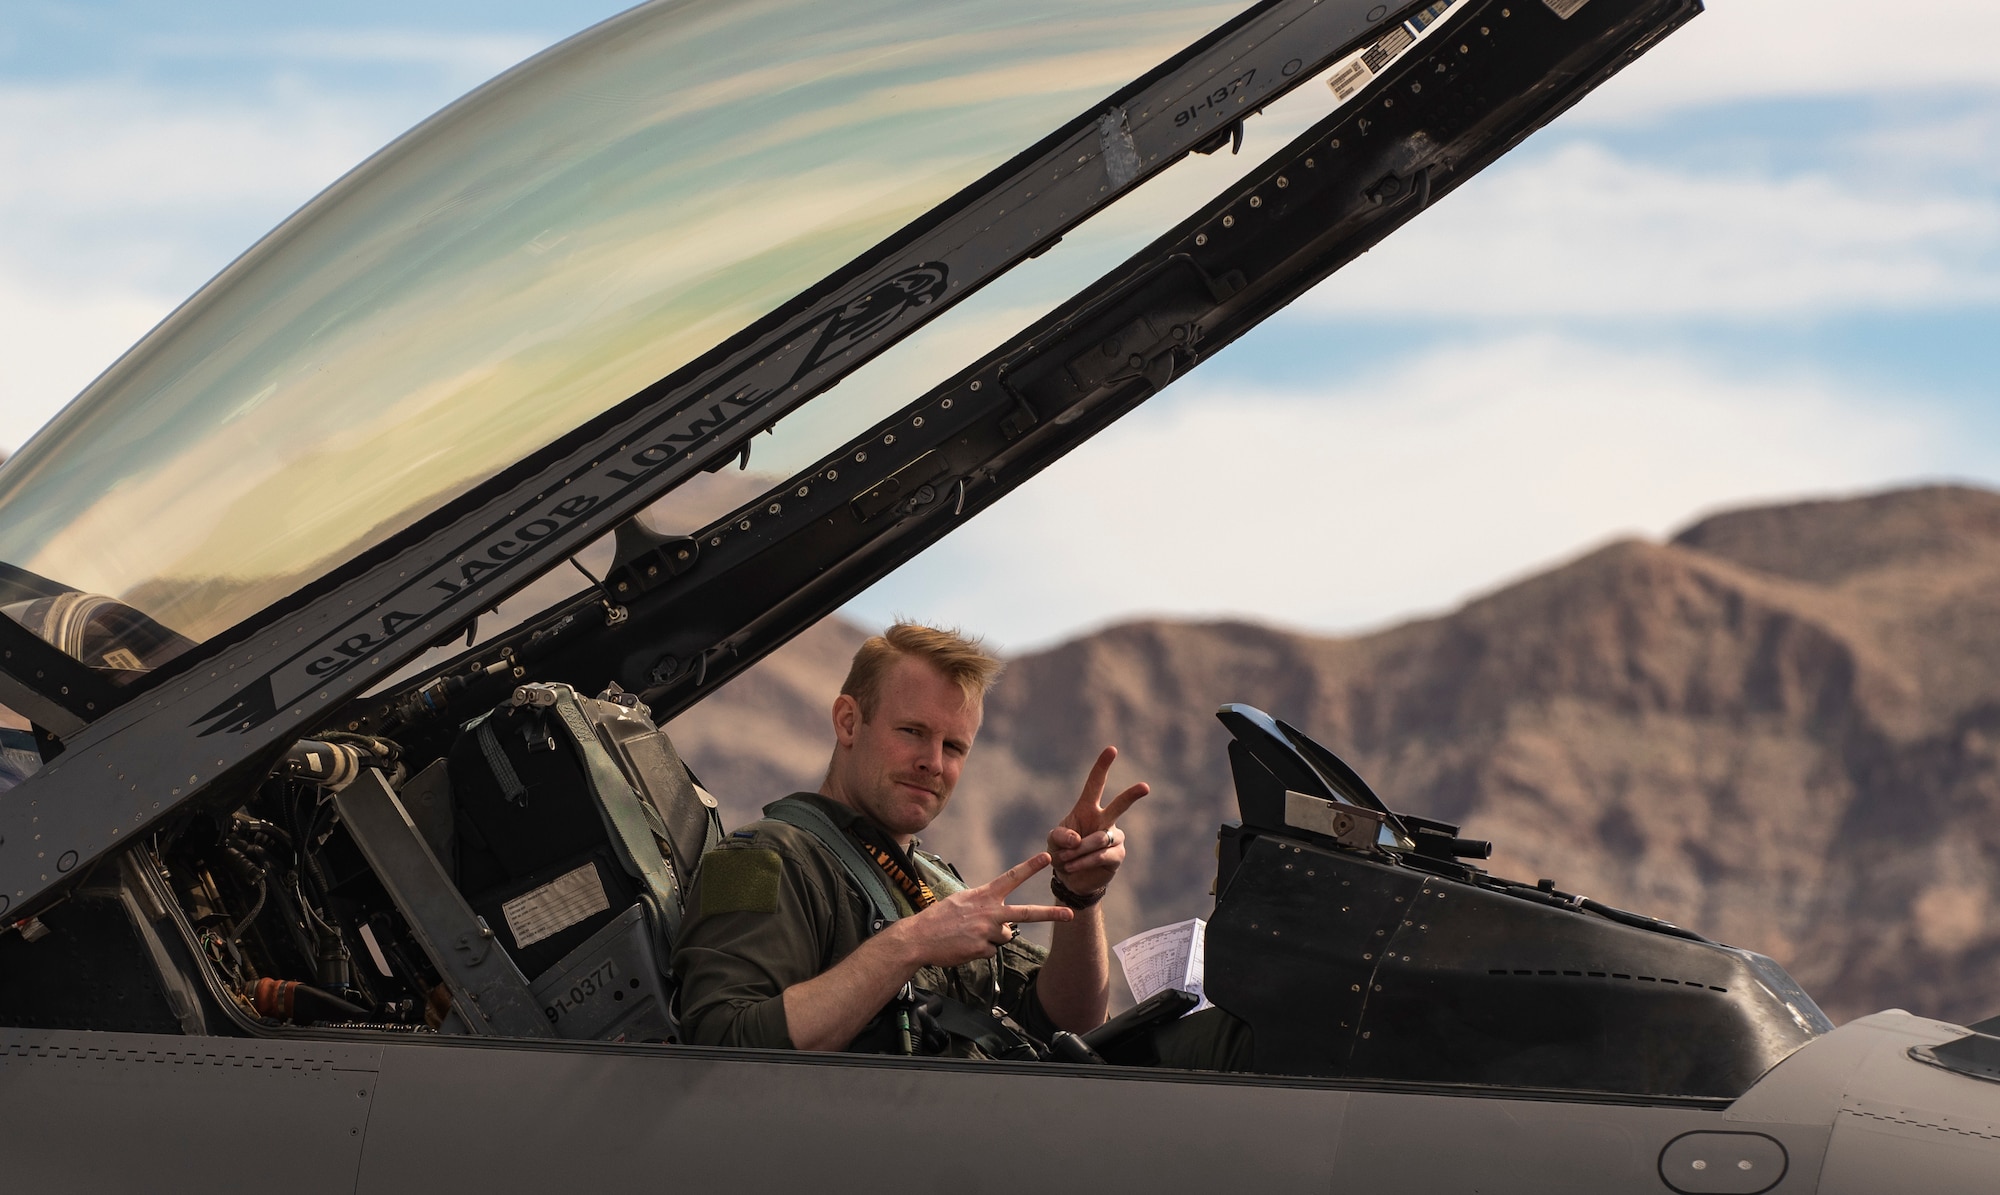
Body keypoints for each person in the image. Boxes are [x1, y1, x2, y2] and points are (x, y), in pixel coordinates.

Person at [672, 622, 1248, 1068]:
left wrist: (1082, 895)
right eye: (912, 732)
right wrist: (908, 946)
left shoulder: (930, 879)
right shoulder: (762, 859)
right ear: (849, 723)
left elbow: (1065, 1020)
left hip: (979, 1129)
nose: (933, 762)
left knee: (1241, 1034)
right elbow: (721, 1045)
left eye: (955, 746)